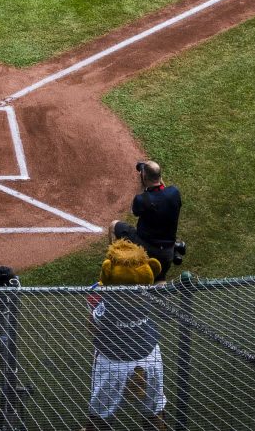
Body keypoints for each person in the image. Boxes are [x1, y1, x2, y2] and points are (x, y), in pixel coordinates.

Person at [86, 224, 168, 429]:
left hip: (114, 359)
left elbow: (92, 327)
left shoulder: (100, 297)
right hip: (150, 355)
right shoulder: (149, 293)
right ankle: (140, 378)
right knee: (155, 414)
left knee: (99, 419)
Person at [129, 161, 181, 280]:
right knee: (159, 279)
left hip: (146, 249)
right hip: (167, 253)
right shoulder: (174, 193)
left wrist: (143, 186)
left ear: (145, 177)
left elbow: (134, 211)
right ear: (160, 177)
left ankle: (118, 264)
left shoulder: (142, 200)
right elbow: (164, 192)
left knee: (114, 226)